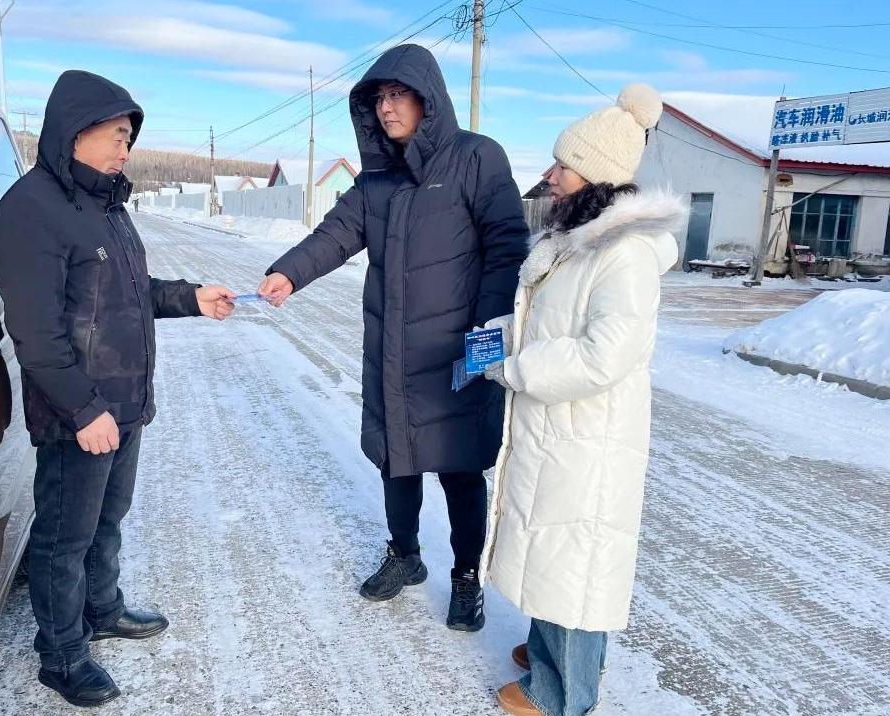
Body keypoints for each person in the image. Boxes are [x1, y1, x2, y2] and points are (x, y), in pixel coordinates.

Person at [258, 44, 528, 630]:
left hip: (457, 350)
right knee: (396, 459)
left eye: (398, 94)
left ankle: (467, 577)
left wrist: (488, 330)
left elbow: (507, 246)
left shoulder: (476, 158)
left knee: (460, 468)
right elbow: (336, 234)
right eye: (379, 97)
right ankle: (405, 555)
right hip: (394, 352)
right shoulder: (377, 179)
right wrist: (288, 273)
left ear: (429, 99)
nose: (387, 107)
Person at [0, 70, 235, 707]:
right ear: (76, 131)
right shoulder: (31, 209)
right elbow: (37, 333)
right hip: (81, 412)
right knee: (63, 537)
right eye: (118, 135)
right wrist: (83, 408)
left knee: (108, 518)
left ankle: (101, 609)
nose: (126, 149)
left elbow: (130, 294)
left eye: (130, 138)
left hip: (123, 403)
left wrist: (191, 297)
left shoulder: (106, 206)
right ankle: (61, 655)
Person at [478, 84, 685, 716]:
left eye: (563, 166)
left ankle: (563, 693)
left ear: (595, 178)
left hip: (587, 434)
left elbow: (605, 354)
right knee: (552, 552)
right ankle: (551, 652)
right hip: (558, 428)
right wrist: (495, 342)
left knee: (576, 564)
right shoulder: (578, 240)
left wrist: (517, 368)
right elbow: (550, 322)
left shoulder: (624, 254)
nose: (551, 175)